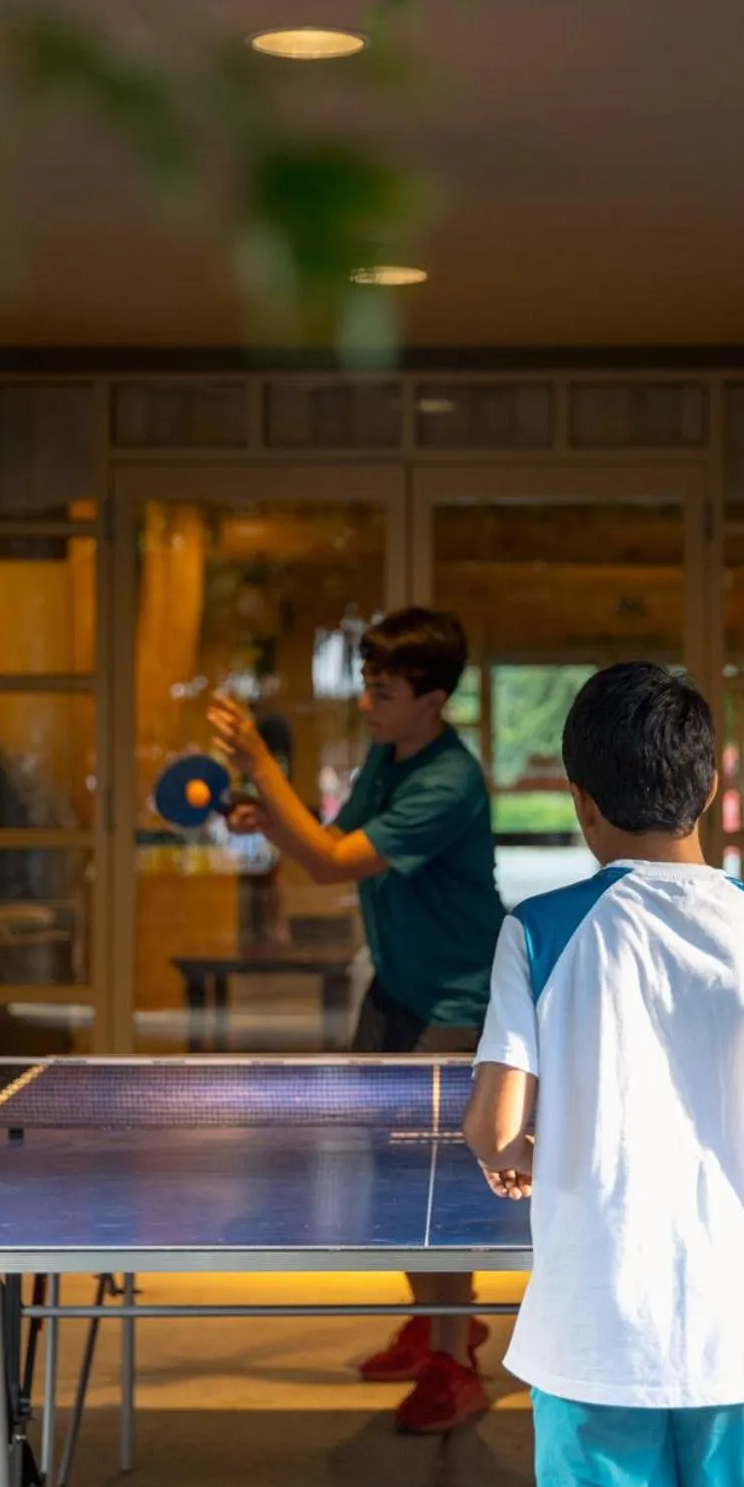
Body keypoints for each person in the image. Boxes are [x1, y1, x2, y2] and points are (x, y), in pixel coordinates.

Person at [464, 662, 744, 1487]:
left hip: (592, 1337)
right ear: (710, 787)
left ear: (582, 802)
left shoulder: (538, 931)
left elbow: (493, 1130)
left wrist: (527, 1157)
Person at [209, 607, 504, 1435]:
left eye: (384, 691)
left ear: (432, 699)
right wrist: (269, 815)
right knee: (394, 1173)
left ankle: (454, 1363)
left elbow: (333, 864)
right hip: (396, 989)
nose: (367, 705)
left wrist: (261, 764)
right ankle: (438, 1325)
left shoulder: (448, 781)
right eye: (367, 686)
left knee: (435, 1187)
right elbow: (332, 838)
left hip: (455, 1002)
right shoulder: (388, 754)